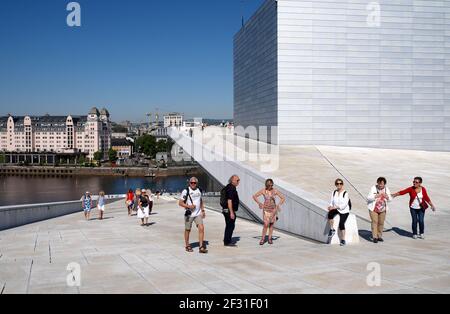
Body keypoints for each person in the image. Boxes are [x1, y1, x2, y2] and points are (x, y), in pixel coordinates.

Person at [178, 177, 208, 254]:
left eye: (195, 183)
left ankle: (201, 246)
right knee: (188, 229)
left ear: (197, 183)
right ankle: (187, 245)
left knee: (201, 228)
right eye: (192, 183)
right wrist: (189, 206)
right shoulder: (186, 191)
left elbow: (200, 200)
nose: (193, 184)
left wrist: (203, 210)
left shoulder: (199, 190)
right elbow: (180, 203)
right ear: (189, 183)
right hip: (189, 214)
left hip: (198, 214)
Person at [253, 179, 286, 245]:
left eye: (271, 185)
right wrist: (259, 203)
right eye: (268, 185)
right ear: (266, 185)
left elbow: (283, 198)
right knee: (265, 224)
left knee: (271, 224)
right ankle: (262, 238)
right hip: (266, 209)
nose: (270, 186)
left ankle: (270, 238)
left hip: (273, 210)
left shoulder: (275, 191)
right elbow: (254, 196)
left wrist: (278, 205)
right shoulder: (263, 190)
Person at [367, 177, 392, 243]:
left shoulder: (386, 189)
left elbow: (390, 199)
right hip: (373, 209)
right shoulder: (373, 188)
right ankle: (374, 237)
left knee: (381, 222)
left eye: (382, 184)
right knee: (375, 221)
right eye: (379, 184)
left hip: (382, 209)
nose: (380, 185)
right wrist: (375, 196)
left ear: (384, 184)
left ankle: (379, 236)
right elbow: (368, 198)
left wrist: (387, 197)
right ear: (377, 183)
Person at [327, 179, 351, 246]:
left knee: (341, 224)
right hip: (337, 208)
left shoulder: (345, 193)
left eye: (340, 183)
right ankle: (332, 230)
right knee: (330, 214)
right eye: (337, 184)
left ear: (342, 184)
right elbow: (332, 202)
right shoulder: (334, 192)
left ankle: (343, 240)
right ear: (335, 184)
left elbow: (344, 205)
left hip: (344, 210)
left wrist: (334, 207)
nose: (339, 185)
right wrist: (330, 206)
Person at [222, 175, 240, 247]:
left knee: (229, 225)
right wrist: (231, 212)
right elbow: (229, 201)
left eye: (239, 180)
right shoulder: (231, 188)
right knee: (230, 226)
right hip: (229, 211)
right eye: (237, 180)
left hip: (226, 210)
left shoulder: (228, 187)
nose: (238, 182)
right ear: (232, 180)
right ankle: (227, 242)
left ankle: (227, 240)